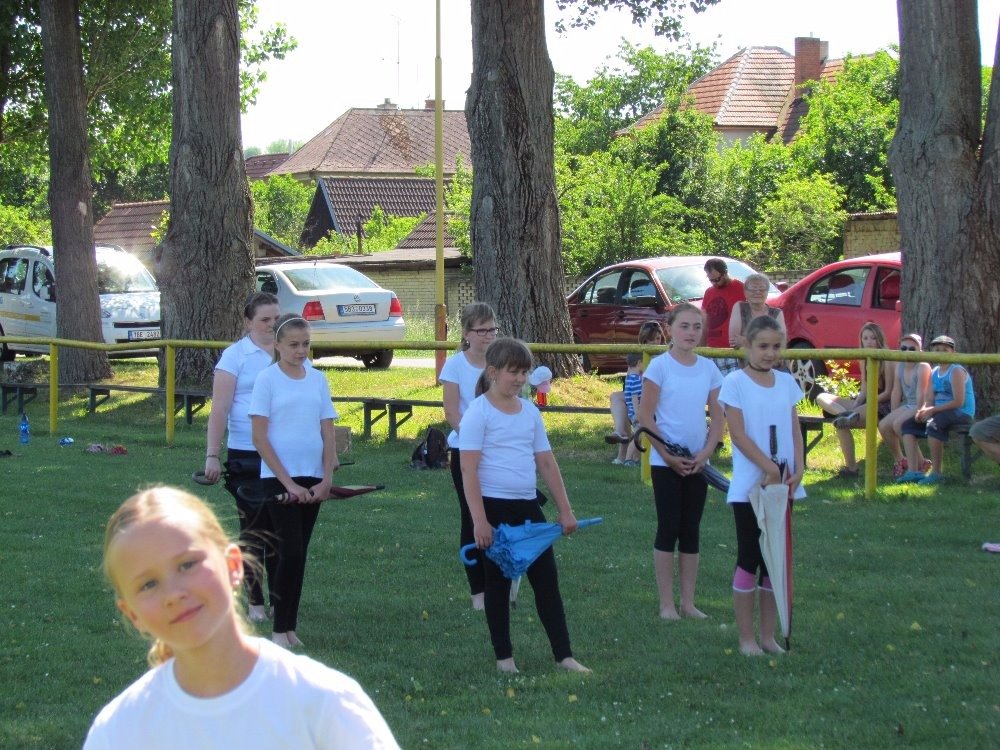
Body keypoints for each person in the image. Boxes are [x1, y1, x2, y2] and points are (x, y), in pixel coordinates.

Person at [84, 486, 400, 749]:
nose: (174, 593)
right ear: (132, 614)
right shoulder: (119, 731)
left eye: (187, 564)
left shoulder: (322, 702)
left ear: (233, 566)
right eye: (148, 584)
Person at [459, 337, 589, 674]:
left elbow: (545, 462)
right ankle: (505, 659)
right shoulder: (478, 412)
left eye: (524, 372)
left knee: (546, 581)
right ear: (492, 372)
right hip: (494, 509)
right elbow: (468, 469)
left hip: (528, 508)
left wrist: (565, 509)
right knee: (498, 584)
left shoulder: (530, 411)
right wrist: (479, 521)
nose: (520, 379)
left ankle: (564, 655)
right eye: (513, 372)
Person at [249, 314, 339, 648]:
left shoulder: (318, 380)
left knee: (299, 555)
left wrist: (326, 478)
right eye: (293, 345)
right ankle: (278, 630)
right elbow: (259, 437)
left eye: (306, 344)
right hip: (278, 479)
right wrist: (288, 484)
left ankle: (289, 628)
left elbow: (328, 431)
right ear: (277, 345)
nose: (301, 351)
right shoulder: (267, 380)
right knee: (289, 552)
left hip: (312, 477)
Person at [718, 315, 805, 656]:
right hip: (750, 486)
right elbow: (738, 435)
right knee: (750, 556)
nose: (770, 353)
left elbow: (794, 428)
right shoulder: (735, 383)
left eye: (776, 346)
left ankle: (768, 637)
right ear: (747, 345)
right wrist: (768, 467)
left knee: (774, 561)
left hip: (782, 484)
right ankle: (746, 639)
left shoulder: (785, 383)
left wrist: (798, 467)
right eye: (763, 346)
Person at [636, 303, 725, 620]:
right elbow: (646, 416)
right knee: (669, 527)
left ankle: (688, 602)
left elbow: (718, 416)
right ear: (669, 329)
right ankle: (666, 604)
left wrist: (706, 452)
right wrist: (667, 455)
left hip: (698, 462)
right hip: (666, 463)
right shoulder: (660, 367)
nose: (690, 332)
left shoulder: (709, 369)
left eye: (696, 327)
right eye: (684, 326)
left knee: (691, 529)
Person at [203, 291, 281, 624]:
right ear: (248, 322)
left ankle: (281, 600)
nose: (272, 325)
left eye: (276, 319)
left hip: (284, 454)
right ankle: (255, 601)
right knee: (253, 531)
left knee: (282, 531)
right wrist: (213, 455)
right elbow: (219, 409)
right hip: (246, 452)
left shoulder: (290, 351)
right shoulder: (235, 356)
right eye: (265, 319)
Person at [440, 301, 498, 611]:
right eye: (482, 330)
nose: (488, 335)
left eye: (492, 330)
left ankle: (499, 584)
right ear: (466, 334)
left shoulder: (500, 362)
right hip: (466, 449)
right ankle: (479, 592)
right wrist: (476, 439)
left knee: (498, 515)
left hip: (498, 450)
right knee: (472, 517)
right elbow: (451, 412)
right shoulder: (455, 365)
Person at [816, 322, 895, 478]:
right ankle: (844, 414)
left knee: (840, 424)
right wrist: (856, 405)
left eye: (873, 338)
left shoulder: (888, 359)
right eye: (865, 338)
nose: (869, 342)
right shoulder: (863, 359)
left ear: (879, 339)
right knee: (822, 397)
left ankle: (851, 468)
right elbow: (864, 391)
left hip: (881, 404)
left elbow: (888, 393)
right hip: (865, 403)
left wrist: (867, 403)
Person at [898, 335, 975, 485]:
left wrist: (933, 410)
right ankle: (914, 470)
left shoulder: (956, 371)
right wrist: (923, 410)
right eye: (937, 350)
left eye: (945, 350)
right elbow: (929, 399)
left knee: (933, 425)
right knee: (908, 426)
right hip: (939, 411)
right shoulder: (934, 372)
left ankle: (937, 472)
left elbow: (958, 402)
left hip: (961, 412)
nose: (940, 353)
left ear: (953, 353)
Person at [607, 321, 665, 463]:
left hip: (658, 397)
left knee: (630, 403)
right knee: (617, 397)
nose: (655, 342)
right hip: (639, 396)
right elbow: (630, 386)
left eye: (658, 338)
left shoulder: (664, 356)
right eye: (651, 339)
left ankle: (625, 453)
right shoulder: (638, 355)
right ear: (644, 340)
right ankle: (620, 433)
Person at [878, 333, 932, 478]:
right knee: (883, 425)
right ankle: (902, 461)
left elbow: (922, 394)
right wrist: (893, 413)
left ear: (920, 351)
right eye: (904, 348)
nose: (907, 351)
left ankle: (918, 464)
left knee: (898, 425)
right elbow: (896, 392)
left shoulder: (923, 366)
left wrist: (920, 412)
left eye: (912, 349)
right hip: (908, 404)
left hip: (923, 405)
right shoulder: (900, 366)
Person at [702, 258, 745, 375]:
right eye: (711, 280)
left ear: (725, 273)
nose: (714, 283)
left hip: (732, 351)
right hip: (712, 350)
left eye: (717, 279)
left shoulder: (741, 288)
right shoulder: (709, 292)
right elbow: (704, 321)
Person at [728, 272, 784, 350]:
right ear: (745, 292)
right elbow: (734, 341)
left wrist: (745, 341)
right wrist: (766, 342)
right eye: (753, 289)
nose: (757, 292)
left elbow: (781, 343)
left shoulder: (777, 313)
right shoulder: (740, 307)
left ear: (767, 292)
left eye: (762, 289)